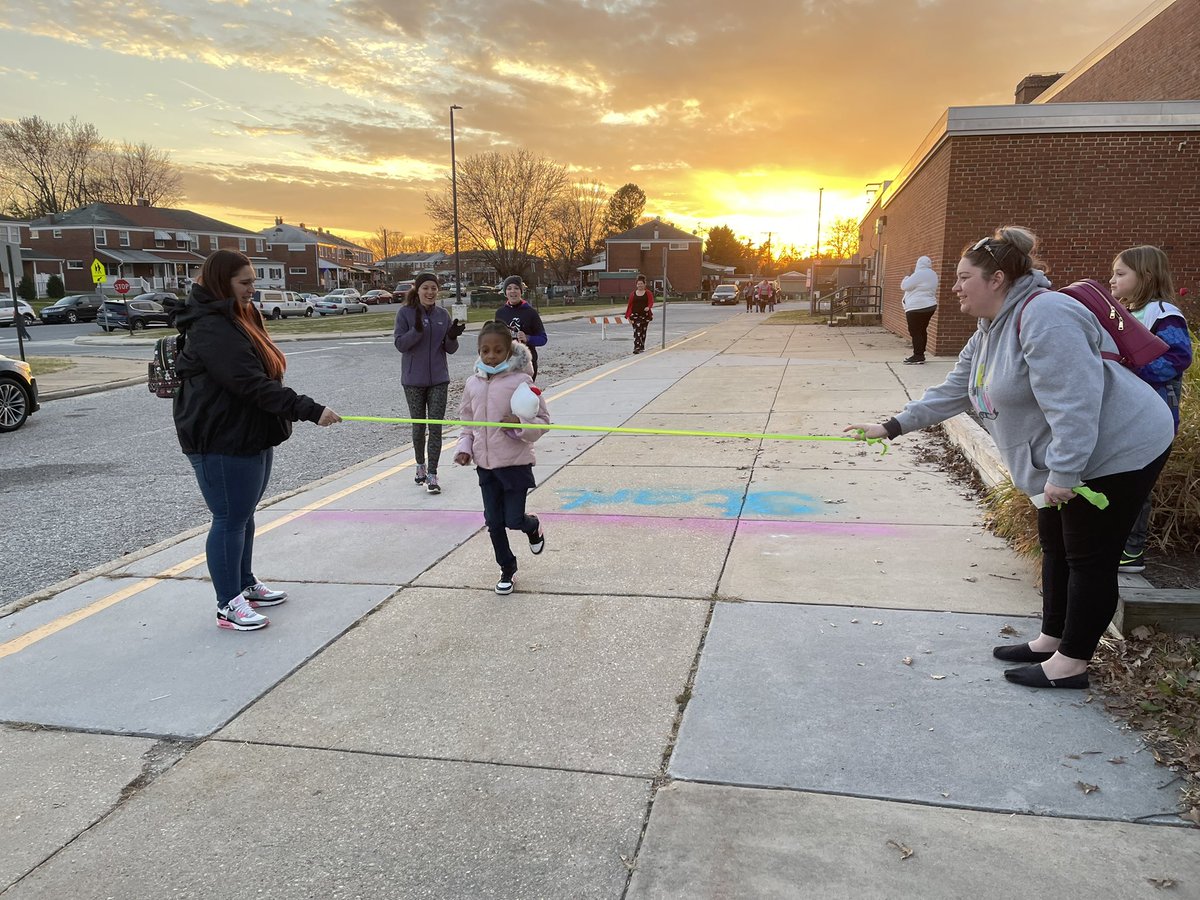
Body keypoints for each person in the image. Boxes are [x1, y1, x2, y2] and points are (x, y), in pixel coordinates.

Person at [845, 226, 1174, 690]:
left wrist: (1064, 472)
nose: (954, 288)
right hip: (1074, 453)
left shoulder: (1047, 316)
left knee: (1088, 555)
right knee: (1056, 542)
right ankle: (1052, 638)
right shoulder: (990, 329)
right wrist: (892, 426)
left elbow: (1075, 404)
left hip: (1120, 447)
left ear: (997, 278)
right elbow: (956, 390)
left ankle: (1072, 664)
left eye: (963, 278)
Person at [173, 249, 341, 632]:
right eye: (245, 282)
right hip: (219, 438)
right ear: (222, 283)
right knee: (229, 518)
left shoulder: (234, 316)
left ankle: (244, 584)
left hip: (247, 432)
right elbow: (250, 384)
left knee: (243, 515)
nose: (253, 289)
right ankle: (227, 605)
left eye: (253, 281)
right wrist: (310, 409)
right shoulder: (212, 327)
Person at [1109, 245, 1193, 573]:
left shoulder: (1162, 312)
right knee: (1120, 480)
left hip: (1154, 416)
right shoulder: (1130, 311)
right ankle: (1117, 543)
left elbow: (1177, 356)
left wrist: (1131, 368)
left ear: (1145, 277)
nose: (1112, 280)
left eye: (1120, 274)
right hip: (1131, 414)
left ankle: (1130, 550)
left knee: (1135, 483)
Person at [454, 321, 550, 595]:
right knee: (493, 522)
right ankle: (507, 568)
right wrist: (464, 448)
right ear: (479, 351)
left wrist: (519, 423)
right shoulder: (472, 383)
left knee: (513, 520)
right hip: (486, 467)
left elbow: (543, 421)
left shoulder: (521, 381)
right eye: (485, 350)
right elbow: (467, 422)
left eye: (498, 350)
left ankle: (532, 526)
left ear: (509, 351)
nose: (491, 356)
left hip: (515, 464)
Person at [393, 272, 466, 494]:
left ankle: (433, 474)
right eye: (425, 288)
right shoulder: (405, 313)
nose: (430, 292)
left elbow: (450, 349)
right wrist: (416, 331)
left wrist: (452, 336)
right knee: (419, 426)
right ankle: (420, 466)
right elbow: (400, 345)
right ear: (417, 289)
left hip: (439, 380)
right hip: (413, 380)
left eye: (433, 288)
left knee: (435, 427)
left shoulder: (442, 314)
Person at [494, 276, 547, 381]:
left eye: (516, 288)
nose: (513, 291)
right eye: (509, 288)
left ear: (521, 291)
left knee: (524, 395)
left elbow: (543, 339)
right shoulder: (500, 313)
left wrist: (528, 338)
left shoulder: (530, 312)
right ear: (505, 293)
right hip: (506, 363)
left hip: (526, 363)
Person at [900, 256, 939, 364]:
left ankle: (918, 355)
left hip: (916, 308)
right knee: (922, 330)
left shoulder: (919, 274)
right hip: (930, 306)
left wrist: (907, 275)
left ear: (918, 264)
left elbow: (904, 286)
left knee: (915, 331)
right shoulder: (933, 274)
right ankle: (921, 352)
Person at [625, 274, 655, 354]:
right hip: (635, 316)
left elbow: (651, 302)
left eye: (641, 284)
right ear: (636, 285)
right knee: (637, 330)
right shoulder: (633, 294)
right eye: (638, 284)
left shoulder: (648, 293)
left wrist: (648, 307)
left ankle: (641, 346)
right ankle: (636, 347)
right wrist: (628, 316)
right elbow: (629, 305)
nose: (640, 285)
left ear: (644, 284)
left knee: (643, 331)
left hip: (645, 316)